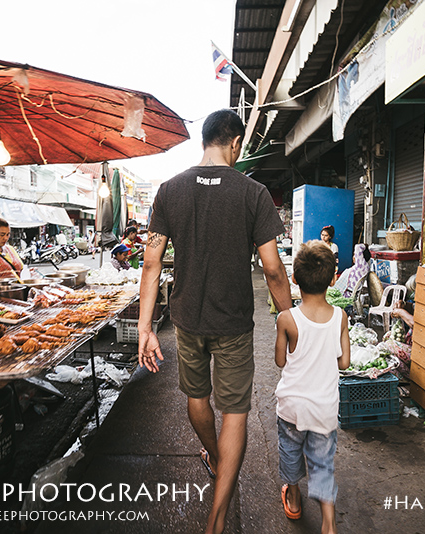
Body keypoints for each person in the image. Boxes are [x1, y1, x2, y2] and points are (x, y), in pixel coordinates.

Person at [137, 109, 292, 534]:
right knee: (236, 411)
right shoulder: (253, 192)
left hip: (186, 319)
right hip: (234, 324)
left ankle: (215, 457)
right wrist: (287, 316)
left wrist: (146, 329)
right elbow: (274, 269)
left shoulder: (170, 190)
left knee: (197, 397)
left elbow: (151, 264)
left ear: (203, 142)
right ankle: (218, 519)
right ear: (235, 143)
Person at [274, 240, 350, 534]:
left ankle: (293, 499)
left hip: (292, 407)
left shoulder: (287, 319)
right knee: (322, 463)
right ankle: (328, 524)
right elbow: (344, 363)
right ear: (333, 279)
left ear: (294, 279)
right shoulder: (340, 317)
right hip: (324, 409)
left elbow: (280, 360)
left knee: (291, 453)